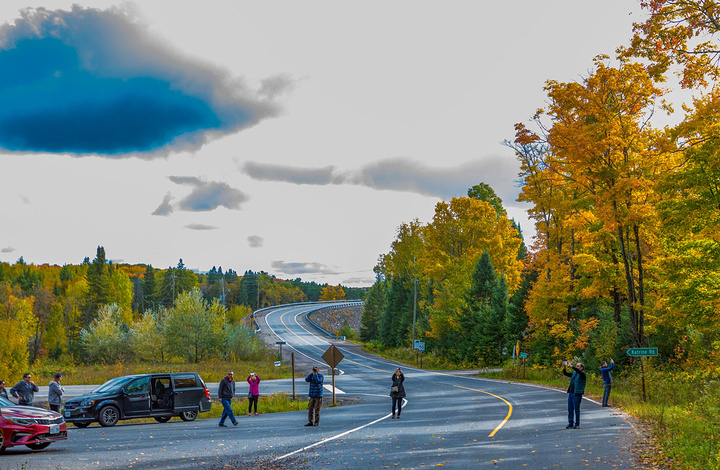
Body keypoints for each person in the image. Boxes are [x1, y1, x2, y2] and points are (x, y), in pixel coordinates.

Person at [562, 362, 586, 429]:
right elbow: (566, 373)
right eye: (576, 366)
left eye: (578, 366)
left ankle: (577, 424)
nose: (577, 367)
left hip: (577, 394)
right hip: (571, 393)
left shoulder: (582, 374)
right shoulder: (574, 374)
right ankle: (570, 423)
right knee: (570, 409)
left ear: (581, 368)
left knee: (576, 409)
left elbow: (578, 371)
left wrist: (572, 366)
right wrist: (564, 367)